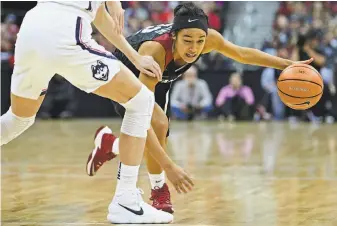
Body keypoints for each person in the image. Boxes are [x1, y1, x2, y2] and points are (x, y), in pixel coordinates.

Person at [86, 2, 313, 215]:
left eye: (199, 40)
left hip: (161, 77)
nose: (194, 48)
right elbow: (141, 116)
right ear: (174, 36)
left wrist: (288, 65)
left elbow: (243, 54)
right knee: (156, 124)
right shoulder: (154, 51)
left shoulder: (208, 39)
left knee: (156, 132)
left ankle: (110, 145)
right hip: (128, 73)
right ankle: (158, 190)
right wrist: (170, 167)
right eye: (187, 40)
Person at [0, 1, 178, 224]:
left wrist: (134, 57)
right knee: (141, 101)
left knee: (18, 119)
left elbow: (99, 17)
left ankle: (126, 200)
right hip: (65, 29)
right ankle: (126, 201)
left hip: (33, 27)